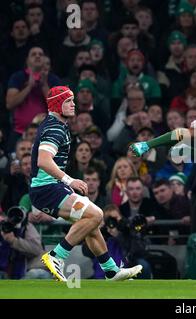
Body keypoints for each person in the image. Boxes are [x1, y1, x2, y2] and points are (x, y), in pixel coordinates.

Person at [29, 86, 142, 282]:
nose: (74, 105)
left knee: (92, 222)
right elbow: (44, 160)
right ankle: (56, 256)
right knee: (96, 214)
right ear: (57, 104)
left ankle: (111, 271)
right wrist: (69, 180)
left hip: (49, 188)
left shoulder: (55, 124)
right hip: (47, 189)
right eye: (68, 101)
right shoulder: (55, 127)